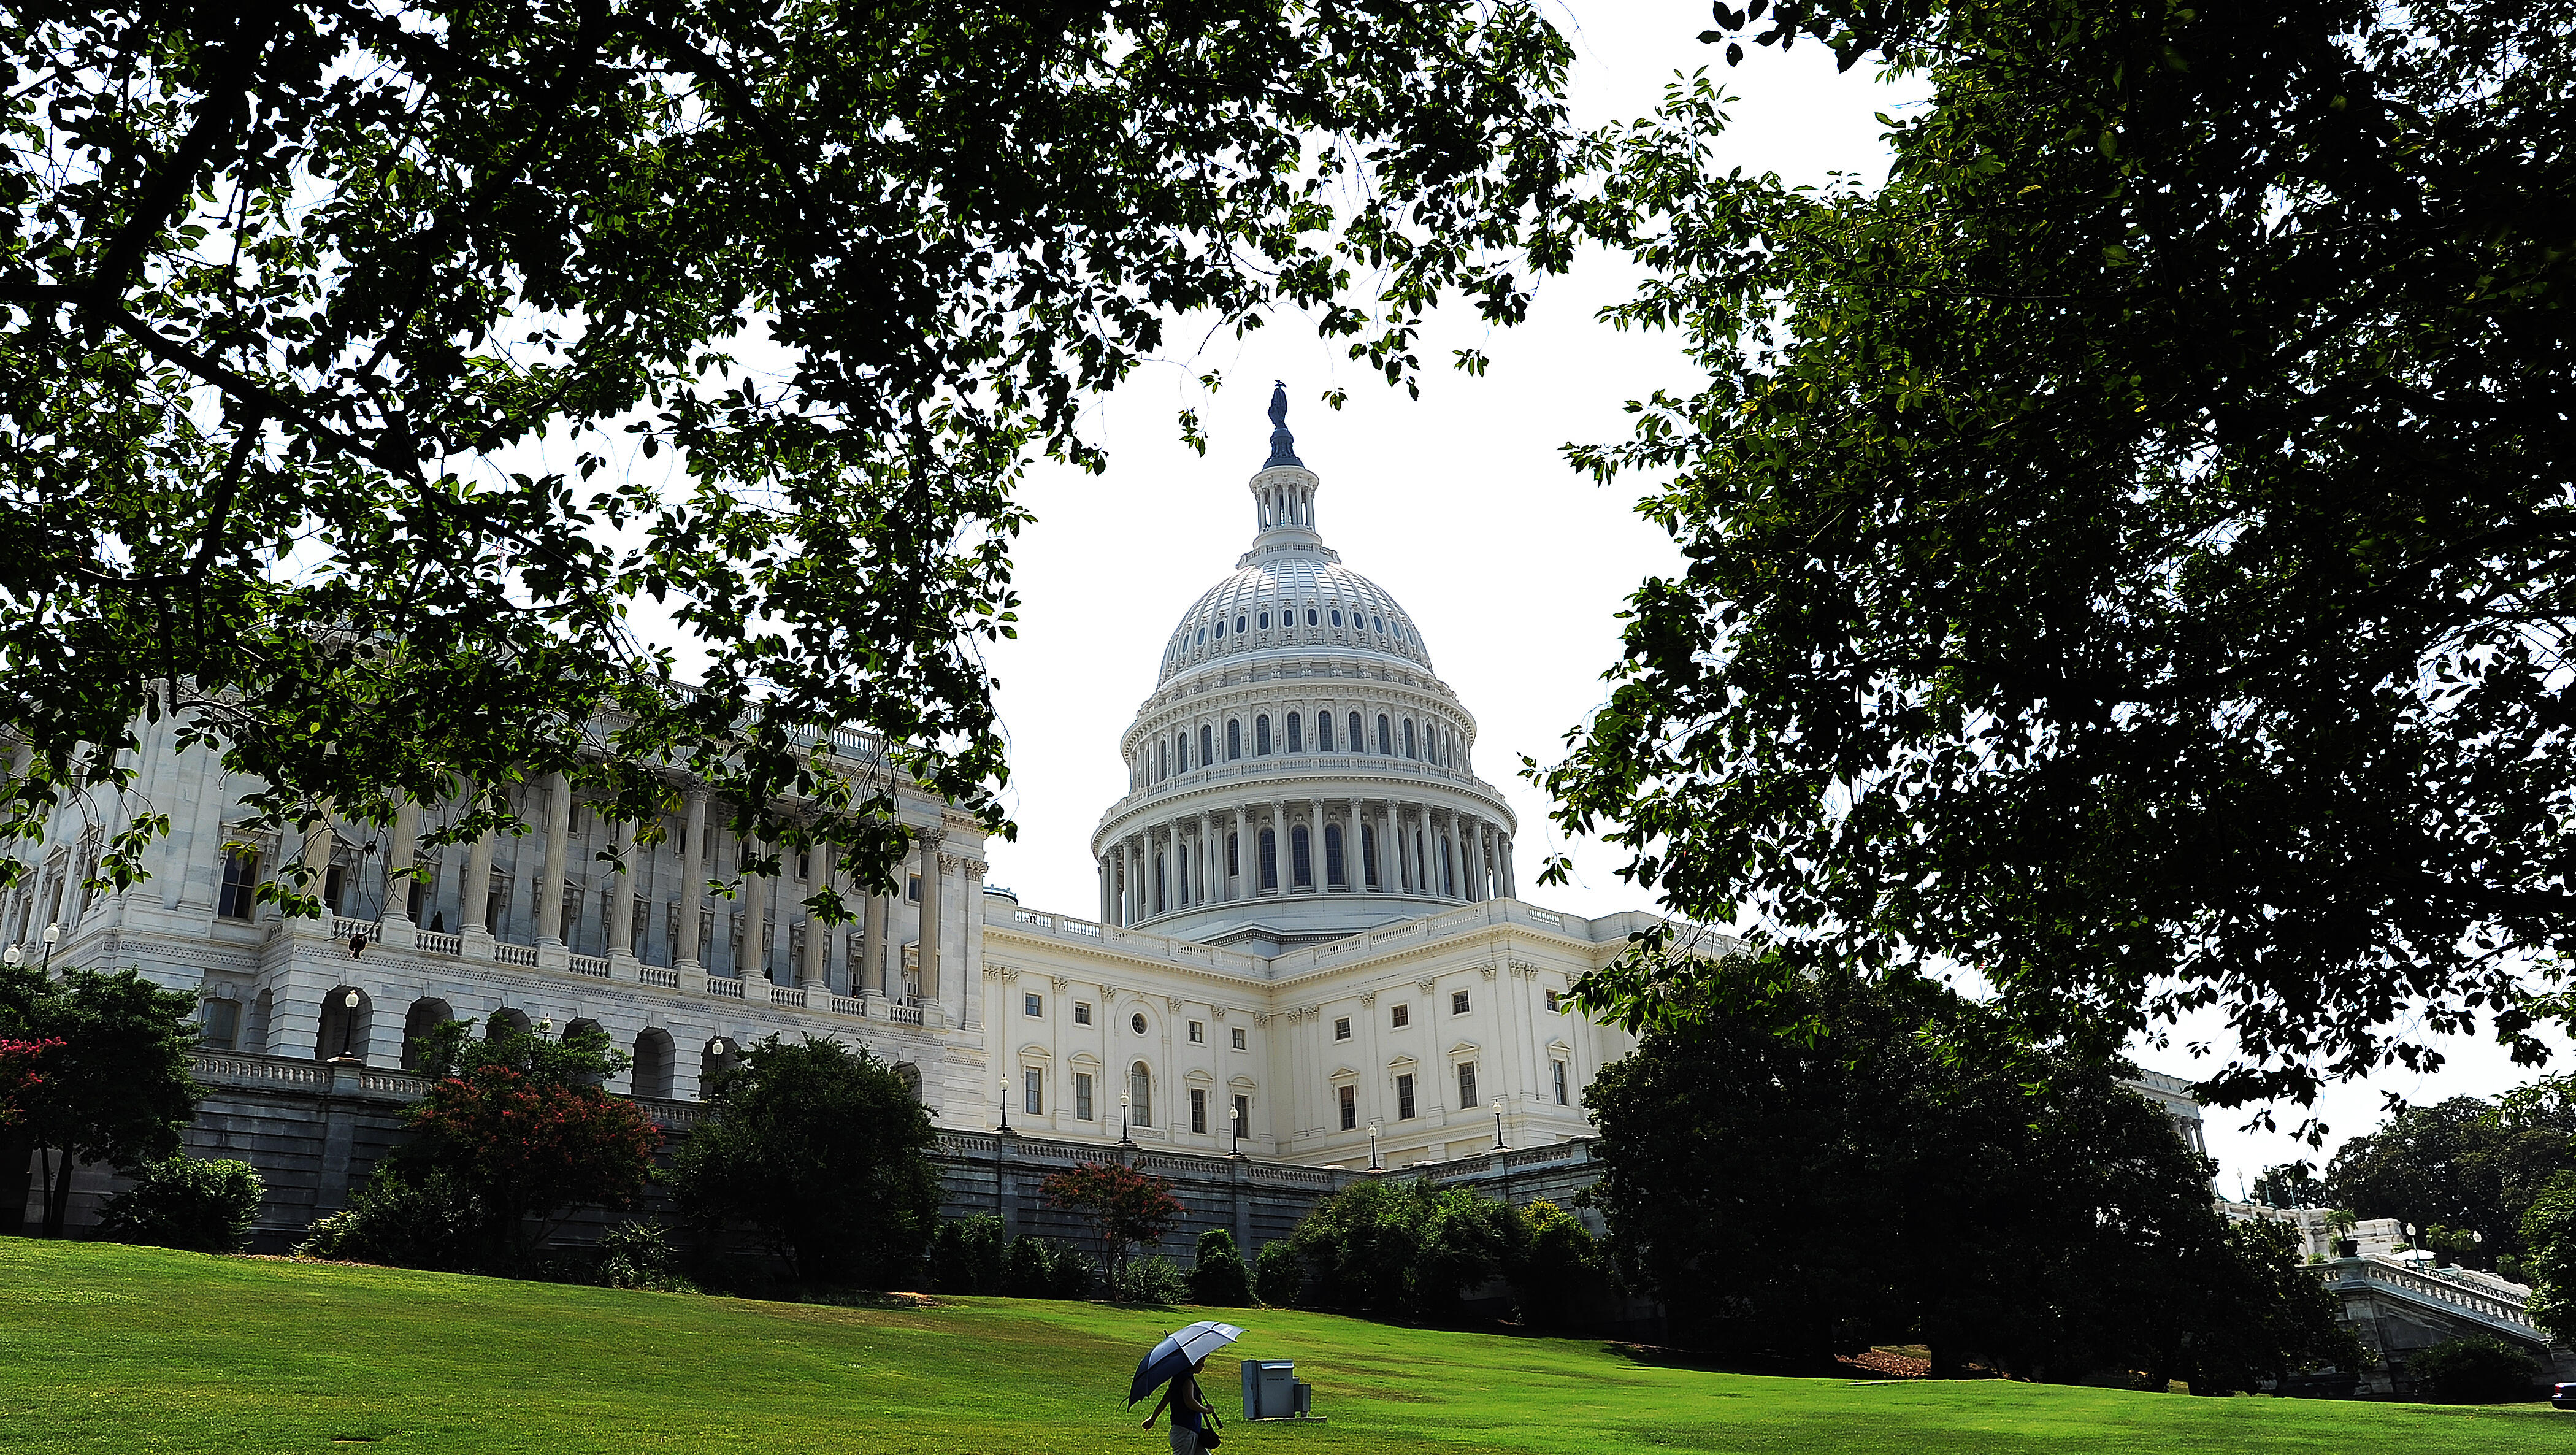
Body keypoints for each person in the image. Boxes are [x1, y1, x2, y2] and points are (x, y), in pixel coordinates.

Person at [1141, 1356, 1219, 1454]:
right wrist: (1206, 1410)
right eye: (1202, 1361)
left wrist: (1153, 1418)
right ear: (1193, 1362)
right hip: (1186, 1431)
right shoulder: (1187, 1380)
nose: (1203, 1365)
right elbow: (1190, 1402)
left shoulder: (1179, 1378)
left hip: (1186, 1430)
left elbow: (1165, 1400)